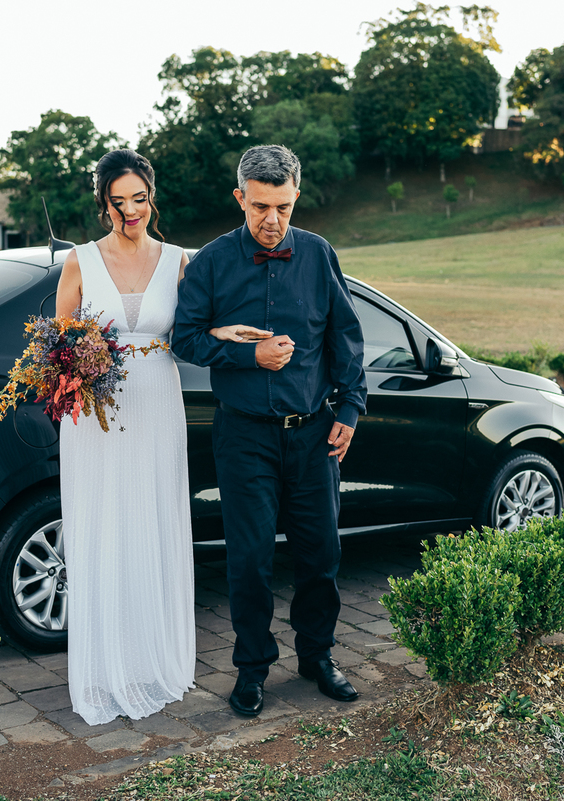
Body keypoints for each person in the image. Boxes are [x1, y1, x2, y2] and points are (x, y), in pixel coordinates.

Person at [56, 149, 255, 725]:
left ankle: (150, 660)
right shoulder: (79, 261)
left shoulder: (179, 261)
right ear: (104, 204)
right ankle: (105, 669)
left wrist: (225, 331)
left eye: (138, 199)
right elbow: (56, 347)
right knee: (105, 527)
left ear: (151, 197)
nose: (130, 212)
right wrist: (72, 365)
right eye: (118, 202)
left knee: (153, 521)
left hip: (157, 405)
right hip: (96, 416)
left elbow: (193, 329)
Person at [173, 144, 367, 717]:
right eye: (260, 207)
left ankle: (317, 657)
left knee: (320, 554)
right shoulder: (211, 262)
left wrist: (350, 409)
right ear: (240, 198)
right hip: (244, 437)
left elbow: (345, 337)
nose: (272, 220)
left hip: (314, 435)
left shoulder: (319, 254)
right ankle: (252, 669)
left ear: (296, 197)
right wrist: (247, 356)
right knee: (250, 560)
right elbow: (184, 339)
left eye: (283, 207)